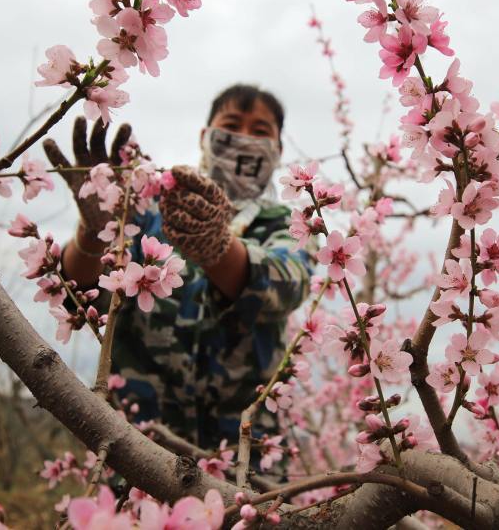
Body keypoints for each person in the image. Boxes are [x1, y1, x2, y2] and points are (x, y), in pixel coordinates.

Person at [44, 84, 314, 451]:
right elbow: (82, 293)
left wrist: (216, 246)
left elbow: (288, 285)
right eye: (231, 125)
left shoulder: (289, 224)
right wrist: (94, 233)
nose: (244, 138)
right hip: (137, 449)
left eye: (260, 130)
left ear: (278, 150)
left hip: (244, 454)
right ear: (205, 136)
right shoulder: (149, 212)